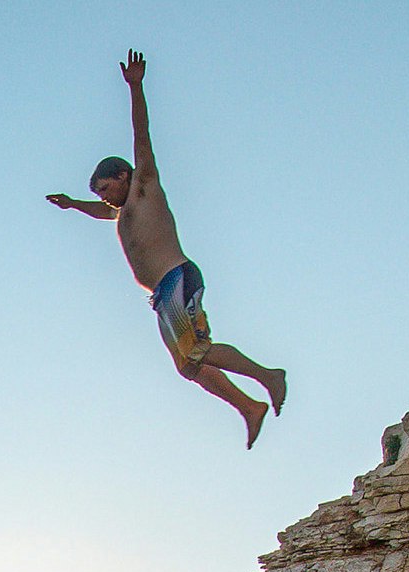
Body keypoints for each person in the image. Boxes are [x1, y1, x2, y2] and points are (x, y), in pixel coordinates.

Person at [46, 51, 287, 447]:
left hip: (177, 276)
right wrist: (74, 204)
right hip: (161, 294)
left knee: (196, 350)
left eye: (107, 188)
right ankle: (248, 407)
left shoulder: (144, 190)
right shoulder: (120, 213)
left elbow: (143, 141)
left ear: (124, 176)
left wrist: (135, 88)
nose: (105, 198)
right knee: (187, 367)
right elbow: (99, 212)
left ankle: (269, 377)